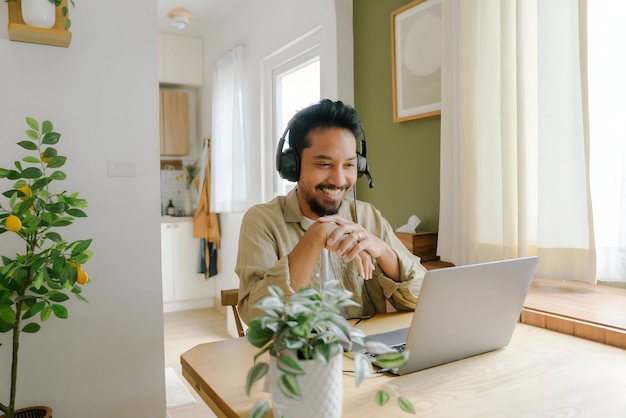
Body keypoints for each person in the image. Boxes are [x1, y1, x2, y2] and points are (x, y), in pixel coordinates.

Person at [236, 99, 427, 324]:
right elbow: (257, 317)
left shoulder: (367, 216)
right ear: (292, 166)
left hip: (361, 353)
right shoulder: (262, 221)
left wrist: (384, 252)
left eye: (349, 165)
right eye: (324, 165)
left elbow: (423, 298)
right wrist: (316, 236)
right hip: (296, 356)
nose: (338, 180)